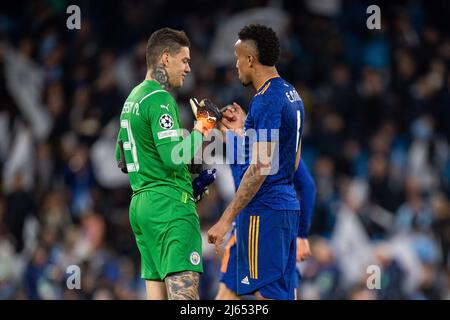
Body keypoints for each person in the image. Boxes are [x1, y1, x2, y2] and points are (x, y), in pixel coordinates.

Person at [115, 27, 221, 300]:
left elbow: (122, 158)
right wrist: (203, 127)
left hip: (142, 206)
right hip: (169, 210)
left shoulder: (133, 99)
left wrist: (186, 180)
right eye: (184, 61)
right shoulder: (160, 99)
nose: (188, 68)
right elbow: (173, 155)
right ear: (165, 58)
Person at [208, 24, 306, 299]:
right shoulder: (291, 95)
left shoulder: (265, 101)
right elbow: (290, 161)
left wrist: (226, 219)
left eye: (238, 58)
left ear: (250, 59)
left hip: (264, 212)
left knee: (265, 297)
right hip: (285, 208)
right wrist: (239, 133)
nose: (236, 65)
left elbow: (261, 167)